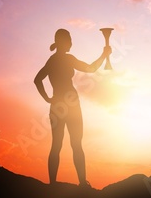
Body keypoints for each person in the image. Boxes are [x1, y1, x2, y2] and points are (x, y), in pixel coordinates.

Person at [34, 28, 111, 188]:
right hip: (72, 104)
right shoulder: (67, 59)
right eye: (69, 39)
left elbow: (37, 80)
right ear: (64, 42)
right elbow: (90, 68)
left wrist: (48, 98)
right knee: (76, 144)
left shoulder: (52, 60)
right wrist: (103, 56)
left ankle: (53, 184)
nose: (71, 42)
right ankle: (82, 183)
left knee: (57, 144)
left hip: (57, 104)